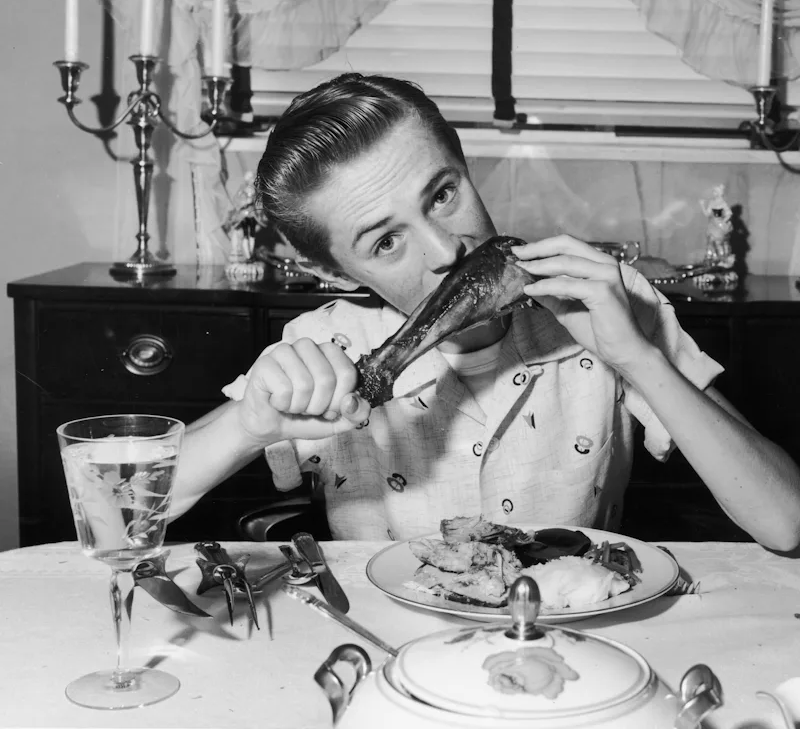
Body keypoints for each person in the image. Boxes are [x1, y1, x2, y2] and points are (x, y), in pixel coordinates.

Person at [171, 73, 800, 551]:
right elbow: (117, 516)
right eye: (385, 242)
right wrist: (249, 426)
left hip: (563, 634)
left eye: (442, 195)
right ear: (334, 273)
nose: (446, 249)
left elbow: (785, 520)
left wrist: (637, 357)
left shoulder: (609, 299)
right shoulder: (324, 343)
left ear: (466, 170)